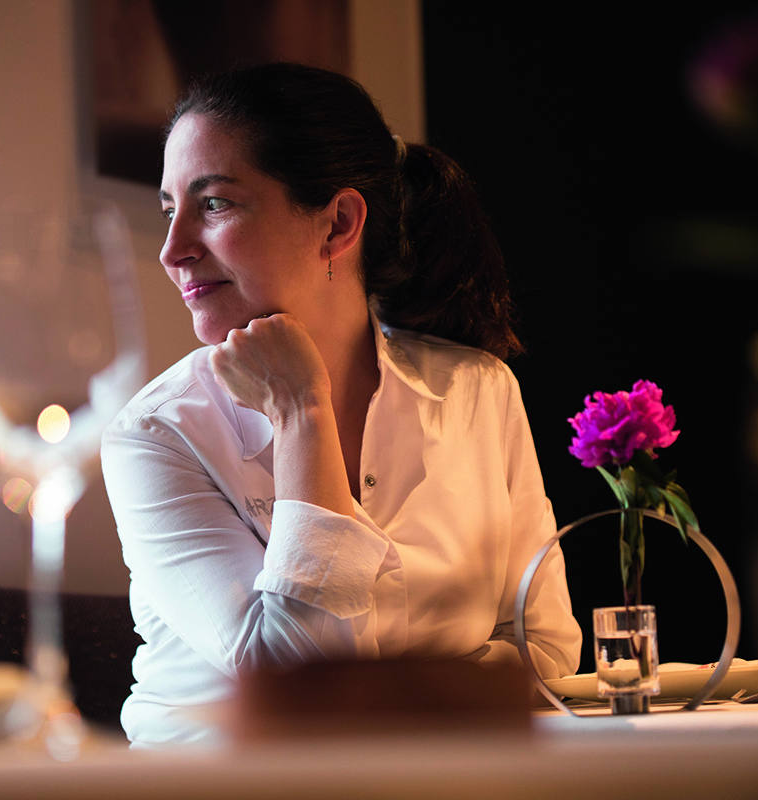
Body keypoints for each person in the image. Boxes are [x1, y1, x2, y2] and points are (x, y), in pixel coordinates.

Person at [102, 63, 580, 748]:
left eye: (212, 205)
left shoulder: (479, 391)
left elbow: (548, 650)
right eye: (169, 210)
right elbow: (295, 686)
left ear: (338, 224)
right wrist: (302, 414)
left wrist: (394, 721)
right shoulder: (155, 435)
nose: (172, 250)